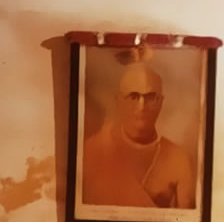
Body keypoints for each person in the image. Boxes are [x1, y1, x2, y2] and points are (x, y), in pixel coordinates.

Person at [81, 57, 196, 209]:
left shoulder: (178, 158)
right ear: (119, 101)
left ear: (161, 102)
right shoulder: (92, 150)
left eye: (150, 97)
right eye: (134, 96)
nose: (142, 106)